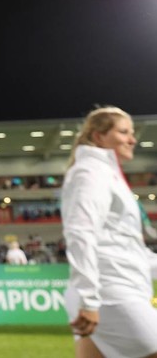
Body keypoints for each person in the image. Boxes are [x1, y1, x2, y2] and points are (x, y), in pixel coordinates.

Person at [61, 105, 157, 358]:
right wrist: (89, 299)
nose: (132, 139)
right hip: (110, 294)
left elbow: (126, 246)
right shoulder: (90, 173)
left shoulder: (106, 174)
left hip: (114, 290)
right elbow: (80, 234)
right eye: (124, 132)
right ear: (99, 136)